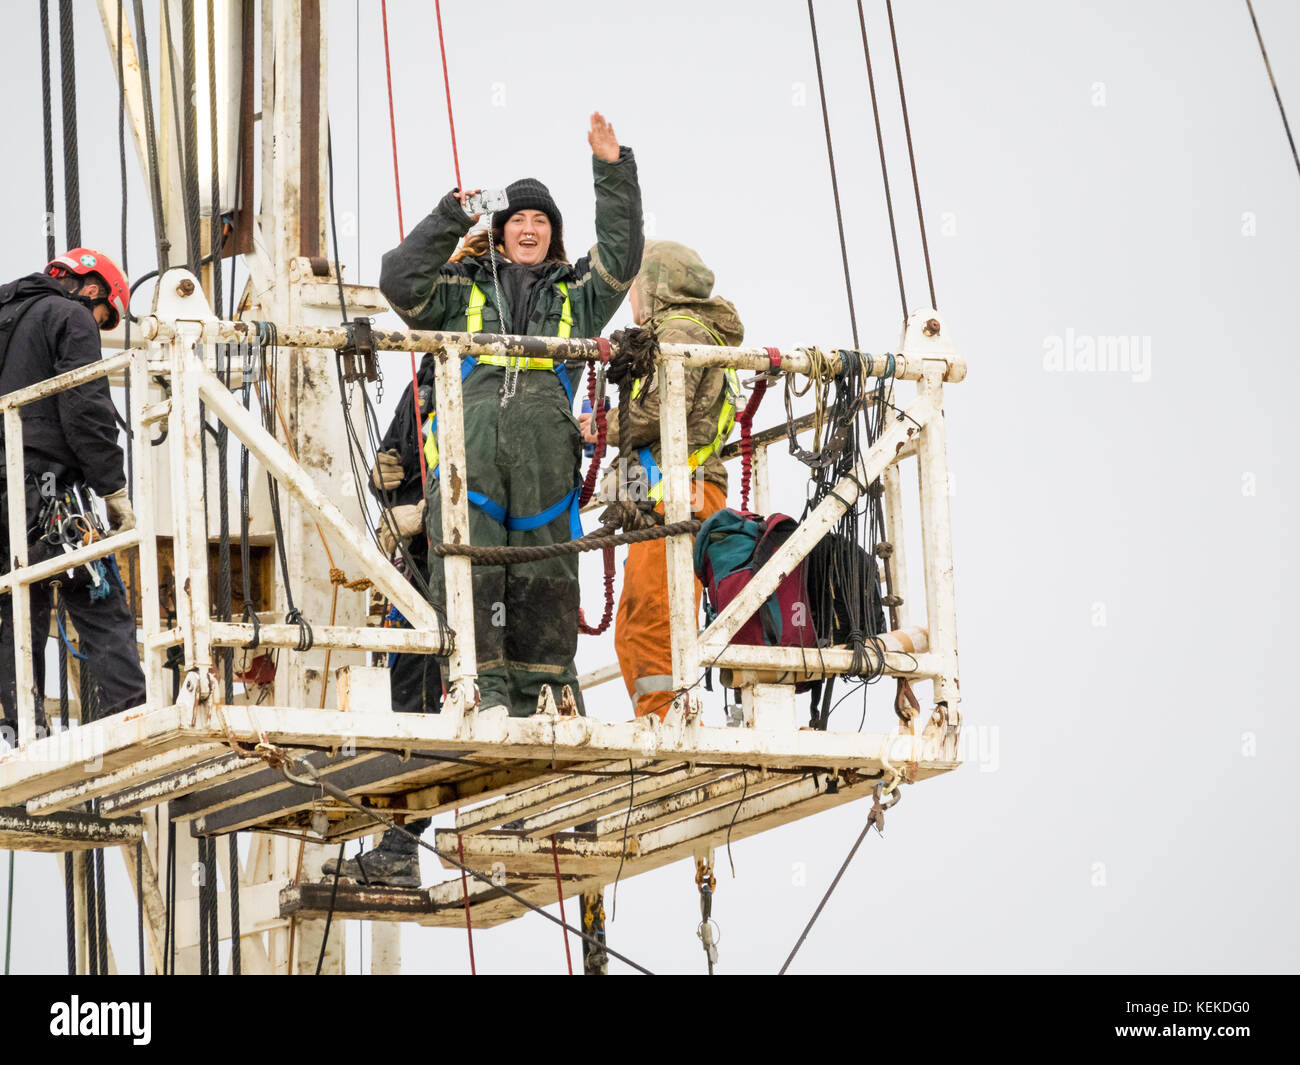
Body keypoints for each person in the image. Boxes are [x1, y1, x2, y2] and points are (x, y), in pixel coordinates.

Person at [325, 113, 643, 887]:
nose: (530, 229)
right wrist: (452, 215)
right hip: (466, 485)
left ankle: (554, 758)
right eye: (518, 220)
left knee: (542, 601)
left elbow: (624, 257)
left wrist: (613, 170)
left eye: (541, 221)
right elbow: (400, 280)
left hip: (542, 481)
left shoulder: (576, 297)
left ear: (552, 235)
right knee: (460, 611)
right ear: (500, 233)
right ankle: (467, 722)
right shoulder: (459, 290)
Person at [579, 241, 743, 721]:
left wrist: (605, 422)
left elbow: (655, 412)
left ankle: (664, 722)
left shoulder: (677, 330)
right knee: (639, 617)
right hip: (673, 492)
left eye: (634, 286)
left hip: (680, 491)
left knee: (653, 615)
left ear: (654, 285)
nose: (630, 298)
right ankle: (657, 716)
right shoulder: (695, 329)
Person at [0, 248, 145, 744]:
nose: (98, 325)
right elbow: (86, 409)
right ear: (91, 290)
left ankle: (24, 725)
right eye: (104, 316)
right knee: (96, 591)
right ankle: (131, 713)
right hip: (44, 484)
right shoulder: (69, 316)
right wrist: (112, 488)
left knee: (17, 601)